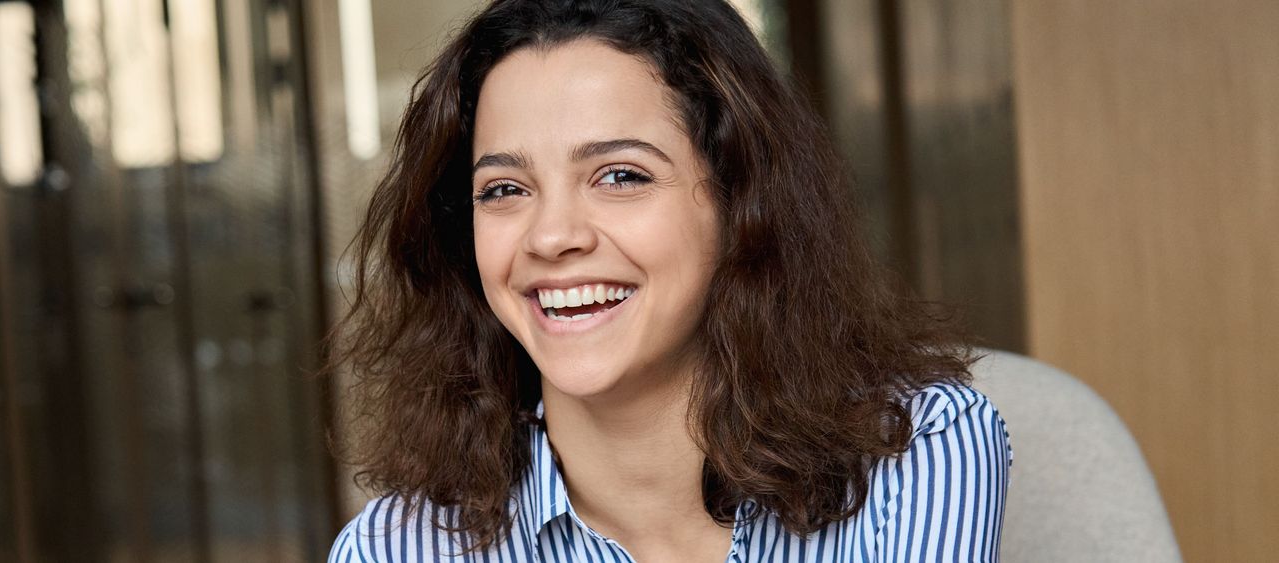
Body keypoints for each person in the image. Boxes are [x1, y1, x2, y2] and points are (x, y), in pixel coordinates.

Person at [325, 0, 1011, 561]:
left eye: (620, 176)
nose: (551, 235)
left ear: (741, 202)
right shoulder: (396, 549)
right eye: (504, 188)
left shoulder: (915, 452)